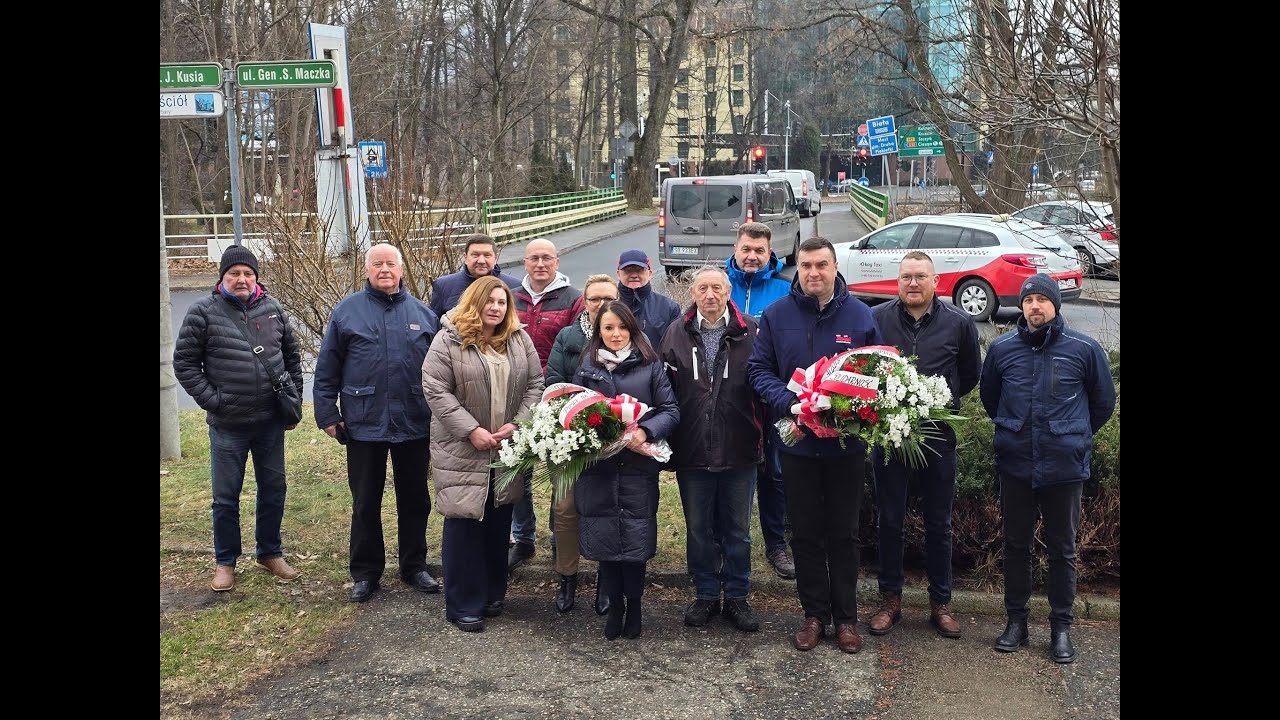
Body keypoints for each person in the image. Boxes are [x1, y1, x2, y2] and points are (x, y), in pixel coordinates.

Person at [747, 237, 883, 654]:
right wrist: (792, 402)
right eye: (806, 265)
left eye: (821, 265)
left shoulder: (862, 316)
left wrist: (846, 410)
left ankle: (845, 619)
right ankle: (813, 615)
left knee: (843, 534)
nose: (813, 273)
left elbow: (878, 374)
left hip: (846, 447)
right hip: (798, 444)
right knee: (804, 534)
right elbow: (759, 370)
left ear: (835, 266)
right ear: (798, 268)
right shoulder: (776, 315)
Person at [981, 274, 1115, 664]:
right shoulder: (1003, 348)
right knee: (1016, 546)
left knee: (1062, 549)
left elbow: (1102, 404)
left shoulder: (1084, 349)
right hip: (1016, 464)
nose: (1034, 306)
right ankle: (1016, 623)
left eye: (1042, 299)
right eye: (1028, 300)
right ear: (1021, 306)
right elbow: (992, 398)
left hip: (1064, 466)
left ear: (1056, 305)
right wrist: (1015, 431)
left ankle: (1061, 629)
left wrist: (1070, 435)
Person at [313, 243, 442, 603]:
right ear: (366, 270)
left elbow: (441, 371)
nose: (384, 269)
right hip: (362, 422)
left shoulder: (423, 314)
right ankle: (366, 572)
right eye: (377, 264)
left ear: (401, 270)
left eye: (390, 264)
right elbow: (327, 368)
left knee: (415, 499)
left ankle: (414, 565)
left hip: (414, 421)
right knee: (365, 500)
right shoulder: (347, 312)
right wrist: (327, 413)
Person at [174, 244, 304, 592]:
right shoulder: (203, 312)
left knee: (274, 489)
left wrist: (294, 404)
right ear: (223, 278)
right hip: (228, 425)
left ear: (256, 277)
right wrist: (214, 401)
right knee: (226, 496)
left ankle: (269, 552)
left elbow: (292, 360)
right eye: (235, 274)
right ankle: (225, 561)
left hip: (269, 423)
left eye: (248, 273)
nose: (242, 279)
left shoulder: (273, 309)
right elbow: (185, 364)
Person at [867, 251, 981, 639]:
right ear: (897, 282)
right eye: (906, 277)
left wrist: (936, 403)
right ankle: (890, 600)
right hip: (889, 438)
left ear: (936, 281)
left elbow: (969, 375)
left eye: (920, 277)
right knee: (890, 520)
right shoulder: (877, 319)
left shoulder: (960, 324)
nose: (912, 284)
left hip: (937, 438)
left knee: (939, 523)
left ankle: (941, 603)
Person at [422, 276, 545, 632]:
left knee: (497, 521)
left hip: (505, 446)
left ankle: (493, 593)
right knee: (464, 523)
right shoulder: (448, 340)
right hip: (462, 447)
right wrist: (470, 430)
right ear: (474, 302)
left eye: (502, 302)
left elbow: (535, 384)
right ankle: (462, 603)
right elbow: (435, 388)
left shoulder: (518, 340)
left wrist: (518, 425)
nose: (495, 307)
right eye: (489, 301)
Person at [659, 266, 763, 632]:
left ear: (728, 291)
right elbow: (665, 391)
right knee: (699, 529)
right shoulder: (676, 333)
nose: (710, 294)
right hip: (692, 450)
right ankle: (705, 594)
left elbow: (763, 384)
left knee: (738, 531)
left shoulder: (750, 330)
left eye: (717, 287)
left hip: (739, 447)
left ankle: (737, 596)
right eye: (702, 288)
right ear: (693, 293)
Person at [573, 301, 680, 640]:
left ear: (632, 330)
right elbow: (573, 411)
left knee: (635, 540)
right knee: (605, 538)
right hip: (599, 469)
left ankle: (634, 606)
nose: (615, 334)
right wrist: (590, 434)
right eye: (608, 328)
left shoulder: (650, 366)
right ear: (598, 332)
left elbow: (670, 410)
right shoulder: (587, 368)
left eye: (621, 327)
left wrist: (644, 432)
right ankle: (613, 604)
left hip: (636, 466)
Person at [507, 238, 584, 570]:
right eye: (534, 258)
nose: (540, 264)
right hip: (514, 395)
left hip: (556, 395)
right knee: (516, 469)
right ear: (525, 262)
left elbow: (578, 345)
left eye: (547, 258)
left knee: (559, 469)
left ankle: (558, 537)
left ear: (557, 260)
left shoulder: (573, 299)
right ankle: (522, 538)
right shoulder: (510, 298)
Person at [725, 222, 796, 581]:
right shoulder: (719, 287)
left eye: (760, 251)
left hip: (773, 398)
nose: (752, 256)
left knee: (775, 474)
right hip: (729, 402)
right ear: (736, 249)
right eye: (746, 249)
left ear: (771, 254)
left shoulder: (785, 291)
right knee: (730, 474)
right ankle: (726, 546)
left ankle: (776, 545)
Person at [545, 273, 619, 615]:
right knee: (564, 510)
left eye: (609, 298)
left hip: (611, 440)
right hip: (568, 437)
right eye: (595, 299)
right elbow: (554, 382)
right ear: (584, 302)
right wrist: (572, 420)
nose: (602, 305)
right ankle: (568, 576)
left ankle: (606, 579)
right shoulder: (568, 336)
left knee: (603, 510)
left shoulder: (625, 335)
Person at [428, 233, 521, 317]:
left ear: (495, 258)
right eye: (475, 255)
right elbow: (434, 324)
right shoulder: (444, 286)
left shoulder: (514, 287)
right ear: (465, 257)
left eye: (487, 255)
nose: (481, 261)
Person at [616, 249, 680, 349]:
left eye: (639, 270)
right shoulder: (609, 306)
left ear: (650, 274)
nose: (633, 275)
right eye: (628, 270)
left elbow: (676, 347)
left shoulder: (669, 308)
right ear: (619, 274)